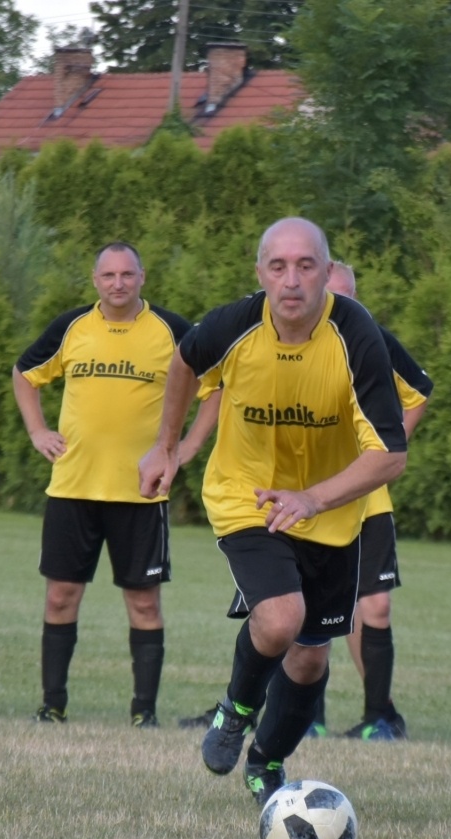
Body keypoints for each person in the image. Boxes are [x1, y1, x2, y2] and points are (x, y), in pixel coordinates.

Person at [139, 217, 407, 805]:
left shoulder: (356, 335)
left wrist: (313, 498)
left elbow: (390, 456)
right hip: (246, 495)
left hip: (329, 511)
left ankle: (266, 761)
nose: (292, 280)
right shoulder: (234, 325)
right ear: (259, 273)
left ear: (326, 273)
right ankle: (234, 710)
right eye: (278, 267)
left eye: (306, 265)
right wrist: (166, 446)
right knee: (281, 619)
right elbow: (185, 362)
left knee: (309, 660)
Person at [175, 263, 434, 742]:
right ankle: (250, 715)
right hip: (271, 502)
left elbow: (415, 395)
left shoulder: (365, 339)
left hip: (353, 501)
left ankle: (378, 714)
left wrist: (375, 447)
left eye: (346, 299)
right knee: (278, 618)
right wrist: (182, 445)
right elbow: (211, 380)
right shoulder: (253, 334)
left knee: (356, 618)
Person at [14, 242, 193, 727]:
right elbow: (25, 374)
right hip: (73, 488)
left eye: (127, 274)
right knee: (60, 597)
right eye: (109, 275)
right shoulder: (72, 327)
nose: (119, 283)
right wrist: (37, 431)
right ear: (95, 280)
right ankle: (52, 705)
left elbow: (216, 383)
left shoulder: (172, 331)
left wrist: (184, 448)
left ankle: (144, 712)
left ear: (143, 277)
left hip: (141, 491)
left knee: (144, 601)